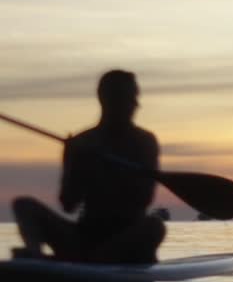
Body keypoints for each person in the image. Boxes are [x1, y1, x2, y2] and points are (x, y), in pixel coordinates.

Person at [12, 70, 166, 264]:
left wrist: (108, 169)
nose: (137, 104)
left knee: (155, 226)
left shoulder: (145, 141)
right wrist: (78, 164)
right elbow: (68, 204)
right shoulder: (81, 143)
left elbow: (144, 199)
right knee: (23, 205)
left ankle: (89, 259)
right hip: (85, 235)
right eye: (130, 97)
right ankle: (35, 256)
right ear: (107, 100)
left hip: (127, 237)